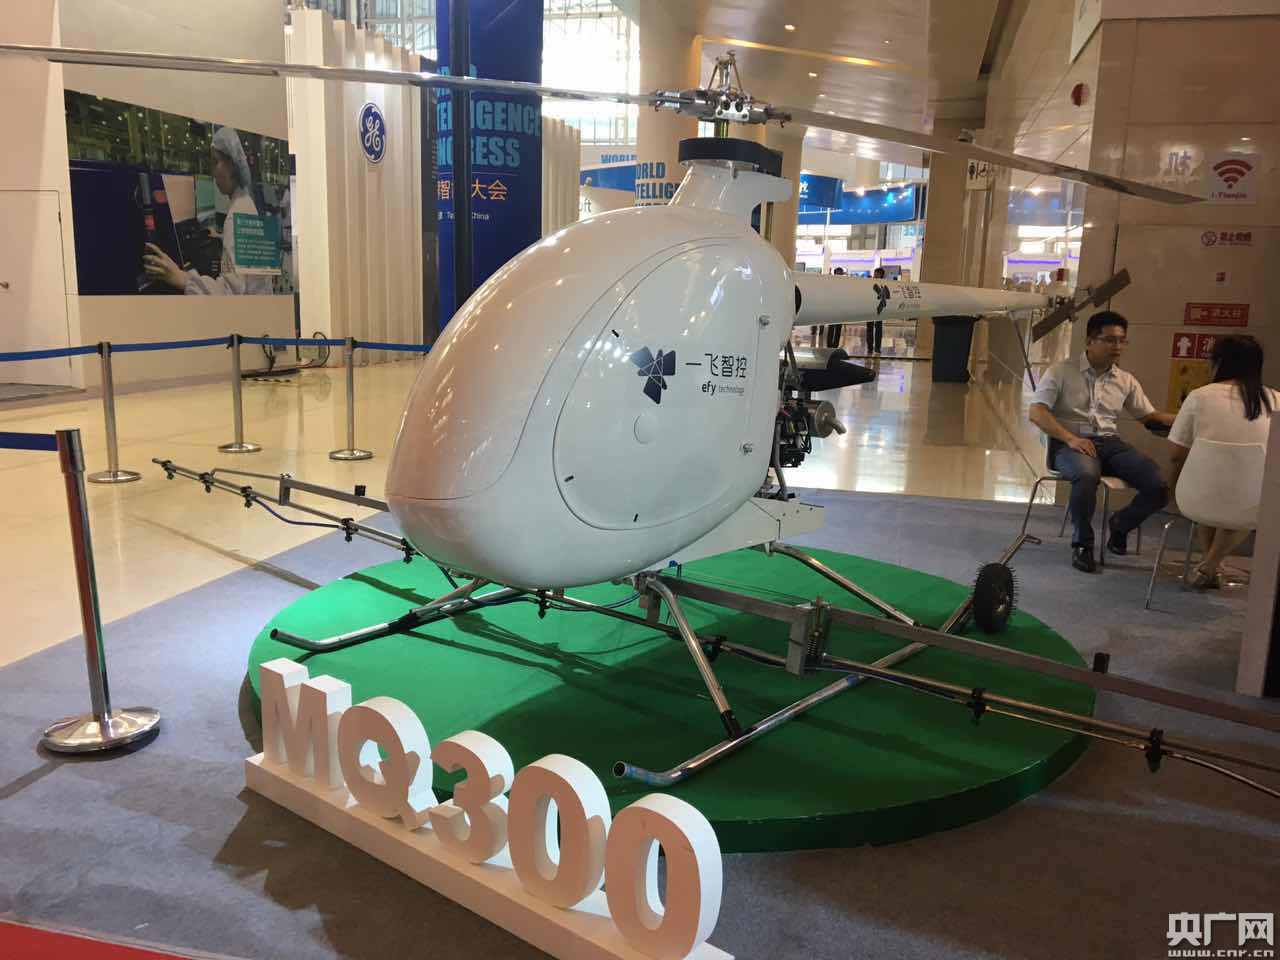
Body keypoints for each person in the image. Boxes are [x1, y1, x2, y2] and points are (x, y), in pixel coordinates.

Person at [1029, 311, 1175, 572]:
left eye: (1121, 340)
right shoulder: (1061, 372)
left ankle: (1120, 525)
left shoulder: (1125, 380)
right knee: (1086, 476)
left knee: (1158, 485)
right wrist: (1070, 439)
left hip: (1111, 444)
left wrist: (1186, 418)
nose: (1117, 346)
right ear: (1090, 341)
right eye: (1109, 340)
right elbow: (1037, 412)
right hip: (1070, 443)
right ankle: (1083, 544)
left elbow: (1149, 417)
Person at [1167, 334, 1277, 588]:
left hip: (1197, 498)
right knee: (1246, 503)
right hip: (1251, 502)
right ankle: (1211, 566)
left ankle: (1208, 566)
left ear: (1217, 363)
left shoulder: (1199, 397)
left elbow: (1175, 454)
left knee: (1213, 493)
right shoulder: (1276, 400)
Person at [143, 126, 270, 295]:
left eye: (215, 162)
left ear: (232, 165)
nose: (213, 172)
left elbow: (229, 292)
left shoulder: (236, 216)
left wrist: (181, 277)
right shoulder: (245, 202)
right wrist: (222, 237)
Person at [866, 267, 886, 355]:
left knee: (878, 329)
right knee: (869, 328)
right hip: (870, 308)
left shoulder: (884, 284)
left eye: (877, 273)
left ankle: (877, 348)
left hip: (879, 309)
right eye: (875, 273)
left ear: (881, 275)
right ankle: (870, 347)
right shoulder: (870, 282)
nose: (875, 275)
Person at [825, 268, 846, 347]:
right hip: (832, 308)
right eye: (838, 273)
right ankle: (829, 344)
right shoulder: (831, 282)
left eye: (840, 273)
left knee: (838, 328)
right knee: (831, 327)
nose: (839, 274)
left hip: (840, 309)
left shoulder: (844, 284)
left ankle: (835, 345)